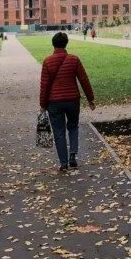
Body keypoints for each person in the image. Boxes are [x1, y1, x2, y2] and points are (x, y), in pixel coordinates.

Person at [39, 32, 96, 171]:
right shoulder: (74, 59)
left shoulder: (47, 61)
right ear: (66, 43)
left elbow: (44, 85)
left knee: (59, 131)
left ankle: (63, 163)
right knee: (73, 127)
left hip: (54, 103)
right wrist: (90, 99)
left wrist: (42, 105)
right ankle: (73, 156)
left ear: (53, 44)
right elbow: (84, 80)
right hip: (72, 100)